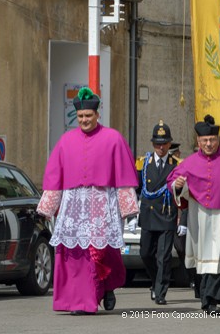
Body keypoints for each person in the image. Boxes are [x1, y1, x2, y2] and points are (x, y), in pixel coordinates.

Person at [37, 87, 139, 315]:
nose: (84, 120)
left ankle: (108, 287)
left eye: (88, 116)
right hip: (74, 205)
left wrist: (128, 209)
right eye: (81, 117)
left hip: (103, 203)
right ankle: (80, 301)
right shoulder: (65, 141)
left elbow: (123, 176)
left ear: (97, 115)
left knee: (105, 252)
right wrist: (48, 207)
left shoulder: (113, 138)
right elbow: (55, 176)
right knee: (76, 255)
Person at [166, 115, 220, 314]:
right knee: (203, 260)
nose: (209, 143)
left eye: (212, 140)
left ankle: (211, 301)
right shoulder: (188, 163)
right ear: (198, 141)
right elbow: (173, 182)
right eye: (205, 140)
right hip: (200, 218)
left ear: (218, 140)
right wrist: (178, 186)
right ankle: (207, 300)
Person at [137, 121, 178, 305]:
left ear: (170, 144)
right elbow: (136, 188)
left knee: (163, 256)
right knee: (145, 253)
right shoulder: (143, 163)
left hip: (166, 213)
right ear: (153, 144)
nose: (161, 147)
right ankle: (155, 281)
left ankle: (161, 292)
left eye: (164, 143)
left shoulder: (176, 164)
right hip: (148, 213)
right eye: (157, 143)